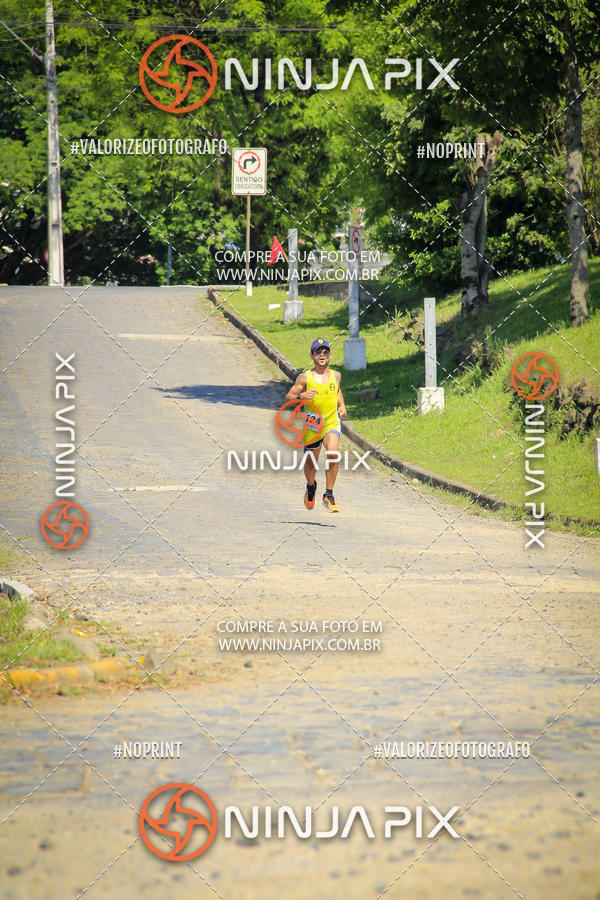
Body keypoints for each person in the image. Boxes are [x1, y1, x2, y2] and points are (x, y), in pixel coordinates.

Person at [285, 338, 347, 512]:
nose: (322, 355)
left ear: (330, 355)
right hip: (312, 425)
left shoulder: (336, 375)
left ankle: (329, 494)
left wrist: (342, 405)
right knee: (311, 464)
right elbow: (288, 398)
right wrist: (301, 397)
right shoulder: (305, 378)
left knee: (333, 454)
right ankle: (311, 486)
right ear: (312, 356)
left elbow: (337, 389)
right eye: (318, 352)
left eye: (325, 351)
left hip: (331, 422)